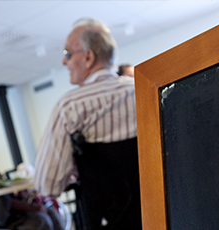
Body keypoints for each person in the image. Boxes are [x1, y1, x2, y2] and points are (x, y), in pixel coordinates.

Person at [33, 18, 141, 230]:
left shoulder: (70, 107)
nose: (64, 62)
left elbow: (48, 185)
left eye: (67, 54)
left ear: (88, 57)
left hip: (107, 220)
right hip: (162, 213)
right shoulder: (143, 89)